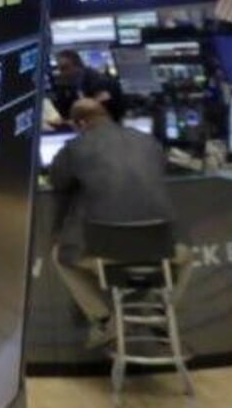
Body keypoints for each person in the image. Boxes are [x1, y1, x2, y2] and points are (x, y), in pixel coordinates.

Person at [47, 98, 186, 345]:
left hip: (107, 251)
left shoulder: (74, 148)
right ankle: (159, 311)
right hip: (161, 247)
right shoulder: (147, 140)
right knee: (188, 257)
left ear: (80, 124)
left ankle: (103, 319)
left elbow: (58, 182)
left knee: (60, 257)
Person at [50, 49, 121, 121]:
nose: (62, 73)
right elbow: (64, 110)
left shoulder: (95, 78)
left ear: (78, 65)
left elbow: (104, 99)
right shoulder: (66, 84)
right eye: (60, 69)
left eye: (65, 68)